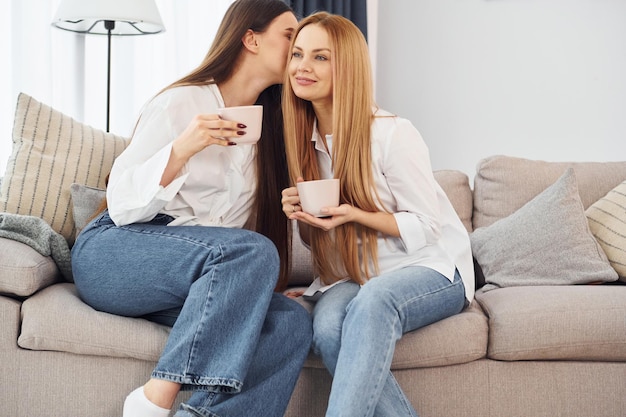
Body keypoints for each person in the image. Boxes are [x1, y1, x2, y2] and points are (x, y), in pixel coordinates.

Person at [71, 1, 312, 417]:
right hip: (115, 253)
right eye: (290, 36)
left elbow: (234, 241)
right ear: (251, 39)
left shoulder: (271, 133)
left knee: (290, 321)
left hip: (192, 279)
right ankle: (153, 399)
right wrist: (183, 148)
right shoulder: (181, 105)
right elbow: (124, 206)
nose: (298, 48)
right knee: (251, 249)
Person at [280, 12, 475, 417]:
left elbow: (426, 226)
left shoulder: (391, 133)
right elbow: (328, 238)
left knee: (374, 302)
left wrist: (356, 214)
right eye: (298, 54)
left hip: (431, 267)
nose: (302, 66)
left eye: (320, 57)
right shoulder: (306, 140)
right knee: (328, 327)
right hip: (359, 275)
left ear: (346, 66)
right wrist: (299, 217)